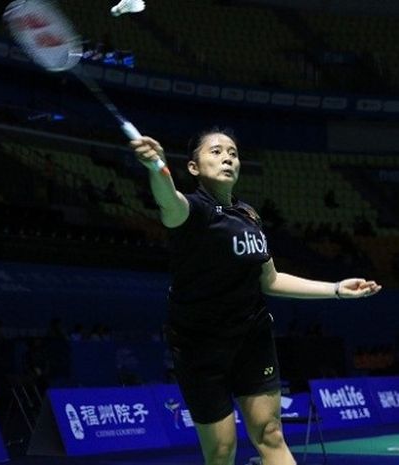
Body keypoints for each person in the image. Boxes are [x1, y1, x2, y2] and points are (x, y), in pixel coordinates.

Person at [131, 128, 382, 465]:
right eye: (216, 152)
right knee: (221, 452)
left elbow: (272, 280)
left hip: (251, 338)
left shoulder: (249, 216)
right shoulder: (193, 212)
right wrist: (156, 168)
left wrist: (336, 289)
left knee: (270, 434)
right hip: (200, 346)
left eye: (232, 153)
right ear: (194, 167)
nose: (227, 158)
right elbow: (168, 201)